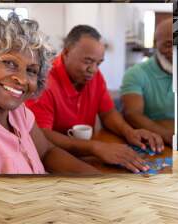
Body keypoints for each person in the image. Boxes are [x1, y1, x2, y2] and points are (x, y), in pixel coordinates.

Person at [0, 14, 99, 174]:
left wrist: (98, 180)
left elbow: (46, 152)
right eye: (9, 63)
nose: (23, 79)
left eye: (32, 71)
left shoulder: (17, 110)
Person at [26, 25, 164, 173]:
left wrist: (129, 132)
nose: (93, 69)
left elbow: (108, 113)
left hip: (85, 156)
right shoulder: (44, 80)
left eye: (98, 63)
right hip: (54, 161)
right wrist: (95, 147)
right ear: (66, 52)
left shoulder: (94, 76)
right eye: (87, 61)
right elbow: (42, 135)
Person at [120, 18, 174, 145]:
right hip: (154, 138)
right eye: (168, 44)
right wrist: (169, 137)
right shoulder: (135, 73)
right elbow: (132, 114)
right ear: (155, 43)